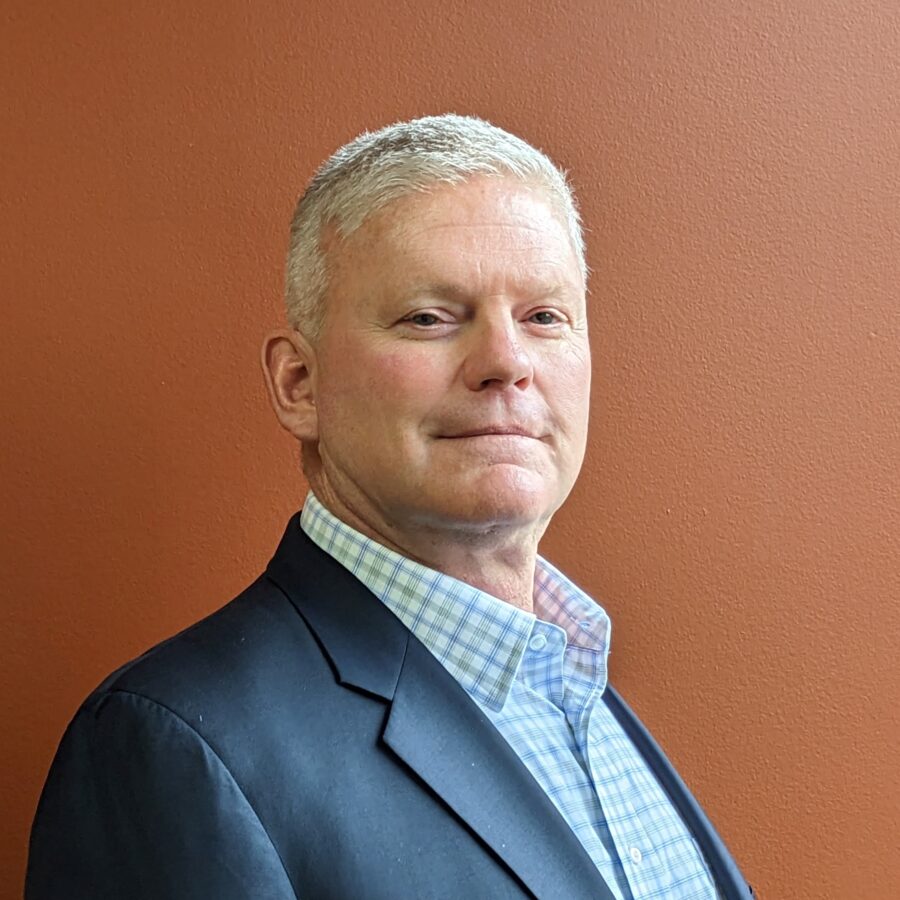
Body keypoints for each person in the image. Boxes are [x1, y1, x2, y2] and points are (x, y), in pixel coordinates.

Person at [27, 115, 752, 899]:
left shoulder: (576, 685)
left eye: (544, 316)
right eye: (429, 317)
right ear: (299, 385)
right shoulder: (174, 747)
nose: (506, 361)